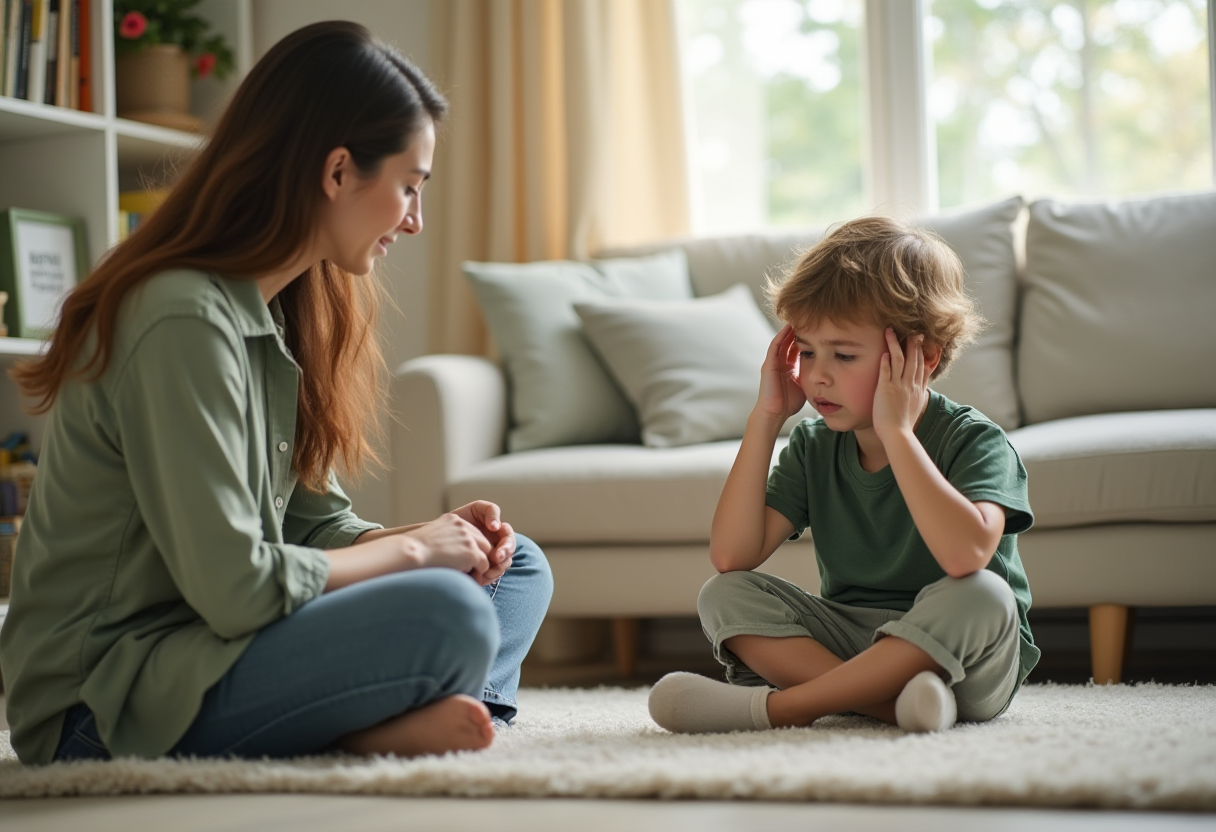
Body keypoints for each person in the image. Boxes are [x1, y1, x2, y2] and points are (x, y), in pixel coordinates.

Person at [0, 21, 552, 765]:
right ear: (336, 172)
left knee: (517, 567)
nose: (415, 221)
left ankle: (429, 713)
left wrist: (437, 539)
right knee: (448, 609)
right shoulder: (180, 317)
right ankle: (370, 731)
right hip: (107, 699)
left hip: (219, 647)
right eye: (409, 187)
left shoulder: (279, 310)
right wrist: (419, 552)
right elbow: (239, 587)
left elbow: (312, 523)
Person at [647, 216, 1036, 734]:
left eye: (843, 355)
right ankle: (890, 704)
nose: (817, 376)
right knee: (723, 592)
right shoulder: (813, 446)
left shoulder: (974, 440)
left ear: (921, 357)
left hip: (964, 658)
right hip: (856, 640)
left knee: (986, 593)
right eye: (806, 352)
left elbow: (964, 556)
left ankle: (788, 708)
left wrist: (897, 433)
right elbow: (732, 555)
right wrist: (765, 420)